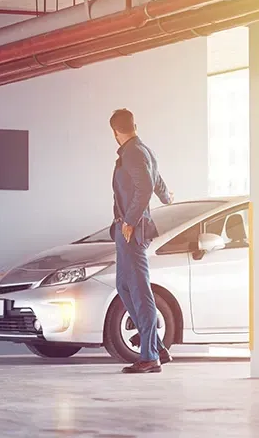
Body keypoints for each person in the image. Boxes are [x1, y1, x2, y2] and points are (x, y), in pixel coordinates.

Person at [108, 109, 173, 374]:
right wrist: (167, 197)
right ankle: (156, 347)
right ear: (134, 125)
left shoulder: (133, 153)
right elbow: (155, 182)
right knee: (124, 286)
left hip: (132, 232)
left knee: (139, 290)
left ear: (115, 132)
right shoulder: (143, 151)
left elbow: (145, 186)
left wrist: (130, 221)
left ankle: (149, 357)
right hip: (128, 230)